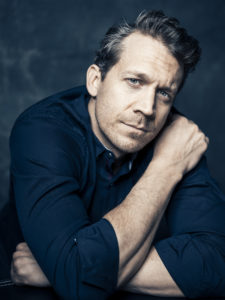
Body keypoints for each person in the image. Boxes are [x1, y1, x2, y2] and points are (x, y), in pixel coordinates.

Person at [8, 9, 225, 300]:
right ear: (95, 80)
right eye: (135, 81)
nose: (147, 108)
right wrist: (166, 167)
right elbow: (78, 281)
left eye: (164, 94)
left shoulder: (179, 138)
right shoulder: (42, 131)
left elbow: (217, 265)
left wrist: (61, 270)